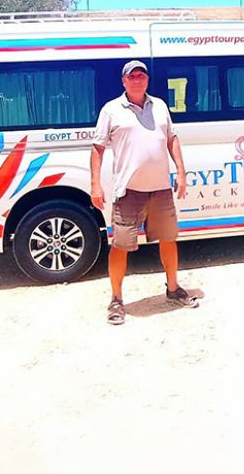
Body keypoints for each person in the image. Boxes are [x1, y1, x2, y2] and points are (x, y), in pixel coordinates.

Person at [91, 60, 198, 324]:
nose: (137, 79)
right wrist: (95, 185)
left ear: (147, 80)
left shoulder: (159, 106)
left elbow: (172, 139)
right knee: (120, 246)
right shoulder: (111, 110)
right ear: (124, 81)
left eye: (141, 75)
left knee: (168, 239)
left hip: (160, 189)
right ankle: (116, 300)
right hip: (129, 191)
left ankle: (173, 288)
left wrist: (181, 172)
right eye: (132, 76)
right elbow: (97, 147)